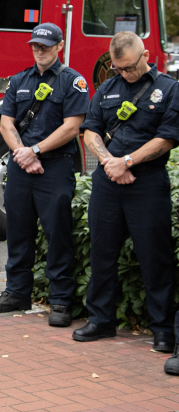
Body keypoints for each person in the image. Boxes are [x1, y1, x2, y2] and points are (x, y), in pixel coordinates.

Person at [75, 32, 178, 350]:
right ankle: (101, 320)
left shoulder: (169, 89)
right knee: (102, 252)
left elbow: (168, 138)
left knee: (154, 256)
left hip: (147, 183)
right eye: (119, 68)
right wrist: (109, 162)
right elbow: (90, 129)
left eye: (131, 67)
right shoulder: (107, 88)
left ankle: (162, 328)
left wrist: (128, 161)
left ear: (146, 54)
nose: (125, 73)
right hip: (109, 181)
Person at [0, 23, 87, 327]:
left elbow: (72, 126)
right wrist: (22, 153)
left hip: (54, 166)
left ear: (60, 46)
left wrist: (36, 151)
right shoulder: (19, 81)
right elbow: (6, 124)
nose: (39, 51)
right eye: (35, 46)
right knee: (17, 232)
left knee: (57, 234)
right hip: (21, 165)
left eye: (45, 46)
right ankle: (16, 292)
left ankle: (60, 300)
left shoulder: (73, 82)